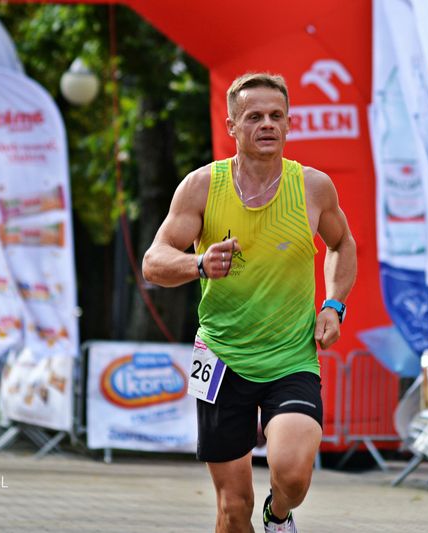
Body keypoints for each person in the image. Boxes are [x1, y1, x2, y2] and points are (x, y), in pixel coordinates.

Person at [143, 72, 357, 533]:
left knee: (292, 472)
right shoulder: (202, 186)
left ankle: (278, 516)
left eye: (277, 116)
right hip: (221, 357)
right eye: (254, 116)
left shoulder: (313, 187)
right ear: (232, 126)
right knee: (232, 508)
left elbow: (342, 244)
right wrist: (199, 264)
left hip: (290, 357)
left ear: (289, 123)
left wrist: (333, 306)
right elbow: (154, 262)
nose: (267, 124)